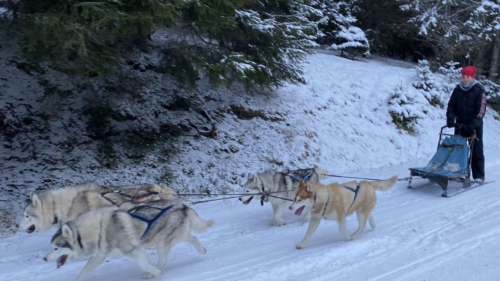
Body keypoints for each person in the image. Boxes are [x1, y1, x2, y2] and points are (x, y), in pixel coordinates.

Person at [446, 66, 486, 182]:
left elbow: (481, 109)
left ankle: (478, 175)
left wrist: (474, 124)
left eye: (467, 76)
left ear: (472, 77)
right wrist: (450, 119)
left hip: (474, 124)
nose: (465, 79)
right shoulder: (458, 89)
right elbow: (451, 105)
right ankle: (457, 172)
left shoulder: (479, 90)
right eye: (463, 76)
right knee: (458, 148)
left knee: (476, 149)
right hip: (460, 123)